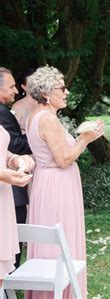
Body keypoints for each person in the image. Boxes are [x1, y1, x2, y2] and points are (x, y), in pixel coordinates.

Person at [25, 66, 104, 299]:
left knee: (53, 234)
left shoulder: (36, 116)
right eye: (62, 88)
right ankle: (60, 292)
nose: (66, 92)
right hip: (57, 186)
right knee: (60, 236)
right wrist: (85, 139)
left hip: (47, 183)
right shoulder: (47, 119)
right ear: (47, 93)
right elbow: (63, 159)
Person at [0, 67, 33, 270]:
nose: (16, 91)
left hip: (5, 193)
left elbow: (6, 148)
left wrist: (15, 160)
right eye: (11, 86)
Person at [12, 68, 38, 133]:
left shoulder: (46, 101)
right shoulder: (17, 106)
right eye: (31, 83)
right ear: (24, 87)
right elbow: (12, 130)